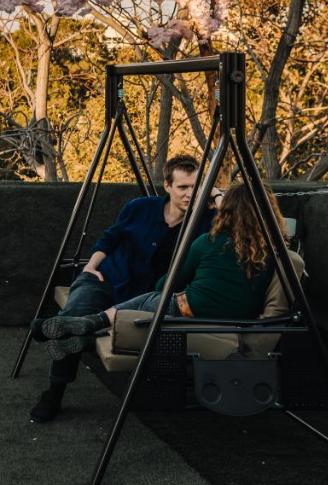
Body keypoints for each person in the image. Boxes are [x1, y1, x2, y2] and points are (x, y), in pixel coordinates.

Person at [28, 154, 214, 423]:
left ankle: (74, 336)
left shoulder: (208, 221)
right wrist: (91, 266)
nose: (189, 194)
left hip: (145, 296)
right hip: (107, 278)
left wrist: (215, 195)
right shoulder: (140, 207)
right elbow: (110, 237)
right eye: (183, 187)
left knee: (86, 324)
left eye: (196, 187)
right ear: (167, 186)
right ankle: (54, 391)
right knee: (75, 311)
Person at [40, 181, 285, 359]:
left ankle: (91, 324)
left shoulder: (209, 242)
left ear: (227, 211)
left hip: (190, 310)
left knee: (150, 299)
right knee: (145, 306)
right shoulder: (277, 252)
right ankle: (84, 335)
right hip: (234, 320)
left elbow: (168, 284)